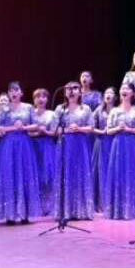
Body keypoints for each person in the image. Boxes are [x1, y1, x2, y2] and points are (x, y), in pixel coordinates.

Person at [0, 80, 43, 223]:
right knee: (10, 175)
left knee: (25, 174)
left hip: (24, 145)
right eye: (11, 90)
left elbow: (36, 125)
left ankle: (24, 214)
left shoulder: (28, 107)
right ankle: (10, 214)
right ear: (8, 93)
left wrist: (24, 127)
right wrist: (12, 128)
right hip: (8, 145)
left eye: (16, 90)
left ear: (21, 93)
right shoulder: (4, 109)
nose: (14, 93)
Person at [52, 79, 97, 221]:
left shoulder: (86, 109)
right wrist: (66, 130)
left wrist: (79, 129)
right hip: (65, 145)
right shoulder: (60, 109)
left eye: (75, 88)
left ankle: (81, 210)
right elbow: (54, 129)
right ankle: (64, 211)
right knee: (65, 175)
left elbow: (91, 127)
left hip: (80, 145)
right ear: (65, 92)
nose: (71, 91)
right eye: (68, 88)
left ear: (80, 92)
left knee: (80, 173)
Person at [103, 82, 135, 220]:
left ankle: (133, 210)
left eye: (127, 89)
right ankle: (117, 210)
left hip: (133, 145)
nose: (124, 90)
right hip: (118, 145)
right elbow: (108, 130)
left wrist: (130, 129)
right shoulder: (114, 111)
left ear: (132, 93)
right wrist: (118, 129)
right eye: (122, 88)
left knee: (133, 173)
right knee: (118, 173)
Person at [30, 87, 58, 216]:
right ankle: (35, 206)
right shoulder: (30, 113)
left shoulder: (52, 114)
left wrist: (44, 131)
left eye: (43, 97)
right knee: (34, 175)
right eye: (37, 97)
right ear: (34, 100)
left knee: (48, 175)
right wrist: (36, 133)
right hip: (32, 146)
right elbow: (26, 131)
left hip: (48, 146)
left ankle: (49, 206)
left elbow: (55, 132)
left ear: (47, 99)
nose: (41, 99)